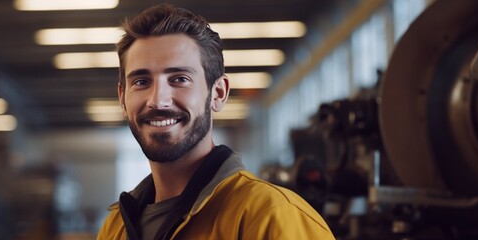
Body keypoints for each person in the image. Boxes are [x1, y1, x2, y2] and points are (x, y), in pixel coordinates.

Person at [98, 4, 334, 239]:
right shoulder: (115, 228)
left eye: (179, 79)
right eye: (141, 82)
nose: (158, 101)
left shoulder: (273, 217)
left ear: (218, 93)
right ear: (122, 98)